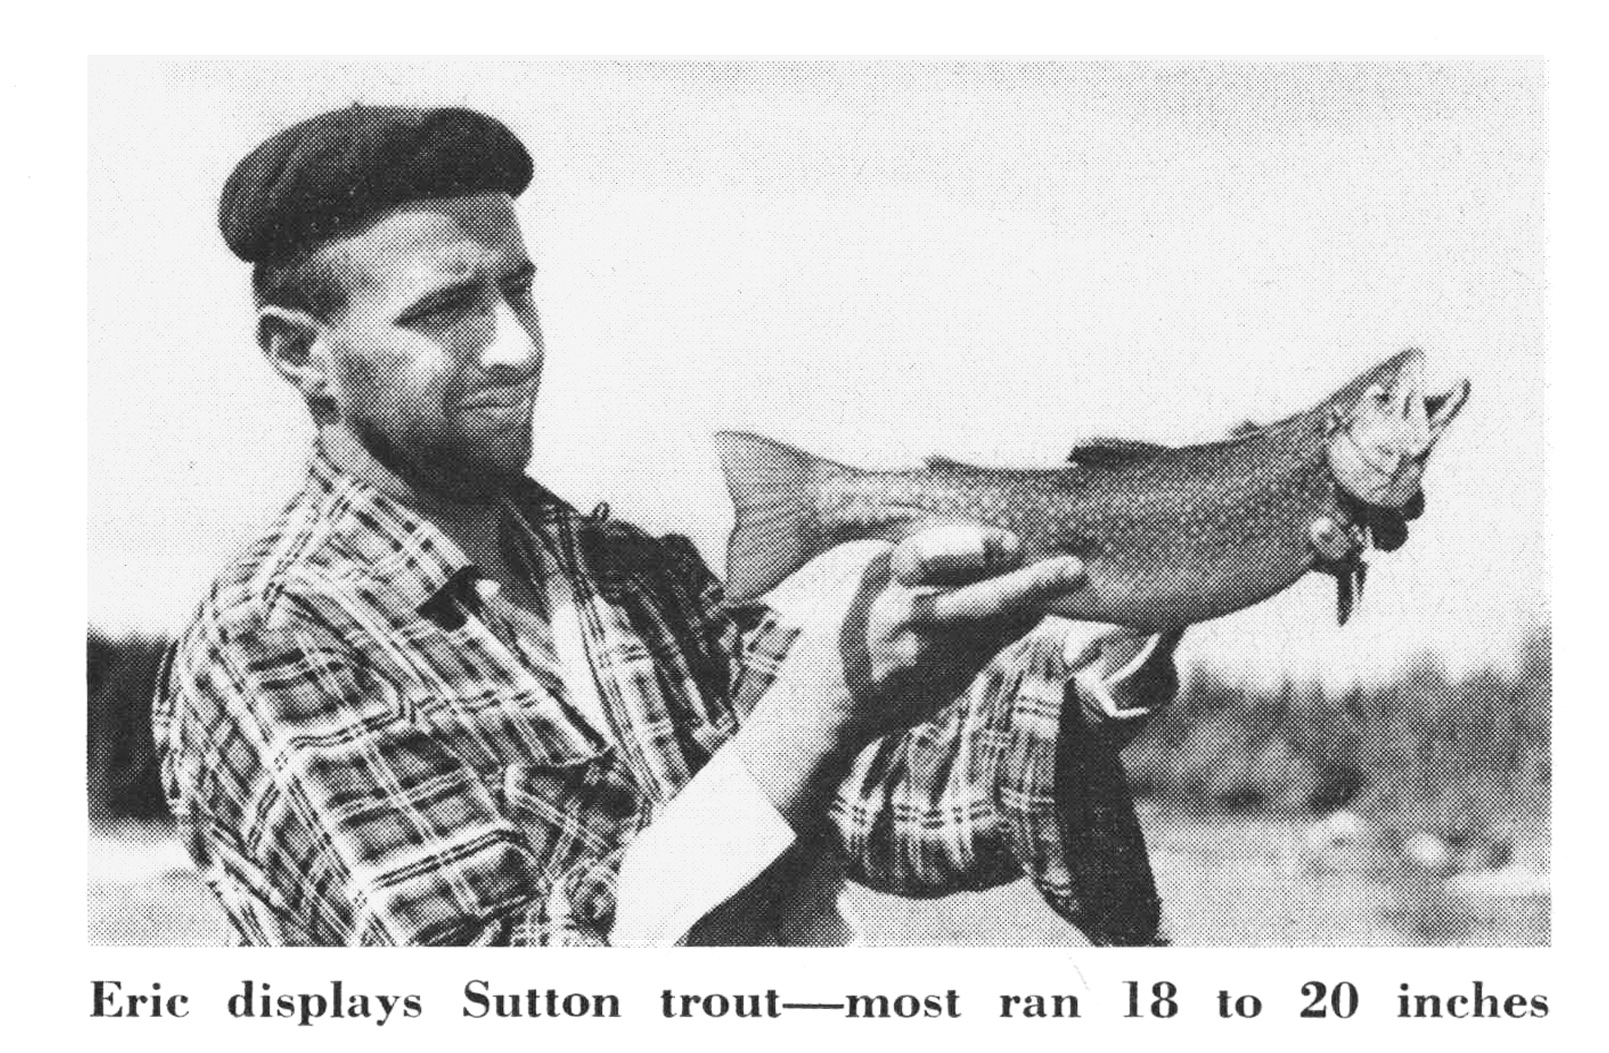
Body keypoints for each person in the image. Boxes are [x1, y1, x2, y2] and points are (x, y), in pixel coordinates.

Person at [152, 104, 1185, 947]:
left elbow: (894, 805)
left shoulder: (631, 576)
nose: (515, 348)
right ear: (299, 354)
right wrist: (815, 707)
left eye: (519, 290)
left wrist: (1146, 604)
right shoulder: (272, 639)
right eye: (445, 310)